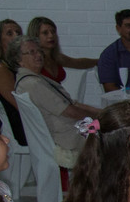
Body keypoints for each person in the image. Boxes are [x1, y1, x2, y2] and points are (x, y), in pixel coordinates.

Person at [13, 36, 102, 169]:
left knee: (109, 124)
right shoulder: (33, 84)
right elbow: (71, 112)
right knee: (113, 130)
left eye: (39, 51)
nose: (38, 55)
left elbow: (72, 103)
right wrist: (101, 117)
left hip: (71, 129)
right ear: (19, 60)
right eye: (31, 52)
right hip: (70, 136)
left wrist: (102, 112)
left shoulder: (31, 79)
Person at [0, 19, 28, 145]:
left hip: (25, 120)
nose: (16, 36)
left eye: (18, 32)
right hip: (19, 127)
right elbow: (19, 104)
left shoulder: (15, 65)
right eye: (10, 33)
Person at [26, 16, 97, 84]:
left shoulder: (56, 57)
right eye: (45, 33)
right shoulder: (31, 60)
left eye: (53, 32)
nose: (51, 36)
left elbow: (79, 63)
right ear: (35, 36)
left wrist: (99, 61)